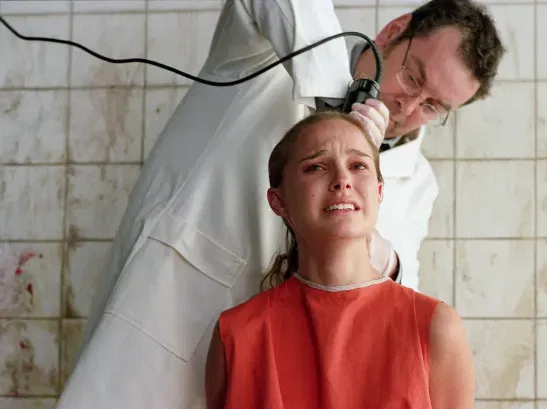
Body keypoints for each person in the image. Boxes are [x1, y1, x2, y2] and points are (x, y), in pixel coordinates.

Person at [56, 0, 503, 408]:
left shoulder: (417, 182)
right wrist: (338, 109)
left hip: (282, 376)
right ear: (394, 30)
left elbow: (400, 290)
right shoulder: (265, 58)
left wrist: (361, 206)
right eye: (413, 77)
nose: (407, 107)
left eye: (433, 107)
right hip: (168, 325)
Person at [205, 110, 474, 409]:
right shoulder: (236, 334)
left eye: (358, 165)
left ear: (379, 192)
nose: (343, 180)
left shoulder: (434, 327)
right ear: (279, 202)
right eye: (316, 167)